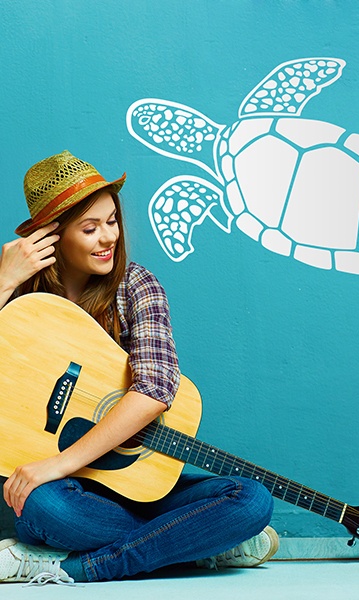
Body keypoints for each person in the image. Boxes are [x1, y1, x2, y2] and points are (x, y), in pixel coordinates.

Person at [0, 151, 278, 584]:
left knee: (251, 500)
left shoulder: (136, 286)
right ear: (49, 236)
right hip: (67, 496)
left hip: (138, 492)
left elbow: (154, 391)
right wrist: (3, 282)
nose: (108, 237)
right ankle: (195, 545)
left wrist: (59, 462)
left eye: (112, 221)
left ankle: (80, 566)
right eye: (90, 228)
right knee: (40, 504)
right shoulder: (16, 297)